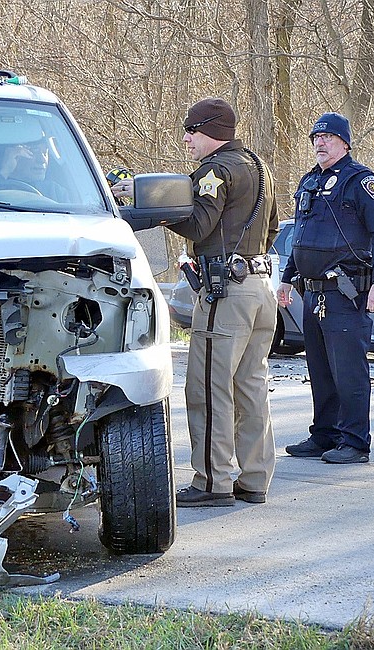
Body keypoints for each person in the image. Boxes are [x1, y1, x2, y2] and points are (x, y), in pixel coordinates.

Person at [113, 98, 279, 507]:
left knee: (208, 389)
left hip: (226, 294)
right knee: (251, 387)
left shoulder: (214, 170)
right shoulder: (258, 166)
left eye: (191, 130)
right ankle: (255, 479)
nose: (186, 138)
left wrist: (159, 211)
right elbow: (273, 225)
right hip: (259, 289)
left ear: (210, 131)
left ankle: (212, 482)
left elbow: (200, 224)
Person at [278, 112, 374, 464]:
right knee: (320, 370)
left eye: (327, 137)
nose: (320, 143)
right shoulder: (309, 182)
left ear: (344, 142)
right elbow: (302, 237)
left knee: (349, 371)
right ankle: (324, 435)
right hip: (312, 292)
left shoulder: (360, 181)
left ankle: (355, 442)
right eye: (315, 137)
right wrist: (286, 277)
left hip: (346, 291)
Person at [0, 138, 71, 202]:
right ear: (13, 155)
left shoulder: (56, 192)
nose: (42, 160)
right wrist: (4, 172)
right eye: (33, 151)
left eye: (45, 152)